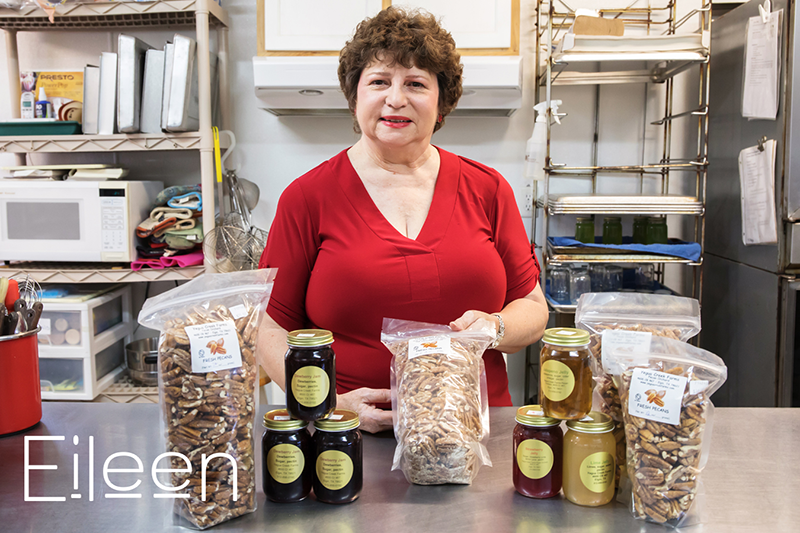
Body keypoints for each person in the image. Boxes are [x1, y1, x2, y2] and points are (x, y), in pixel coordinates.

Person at [257, 6, 548, 433]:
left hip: (478, 432)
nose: (396, 99)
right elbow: (269, 327)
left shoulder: (488, 189)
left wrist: (496, 326)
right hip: (349, 438)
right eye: (379, 82)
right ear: (355, 96)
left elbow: (533, 309)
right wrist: (328, 405)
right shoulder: (307, 197)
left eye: (415, 83)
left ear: (441, 101)